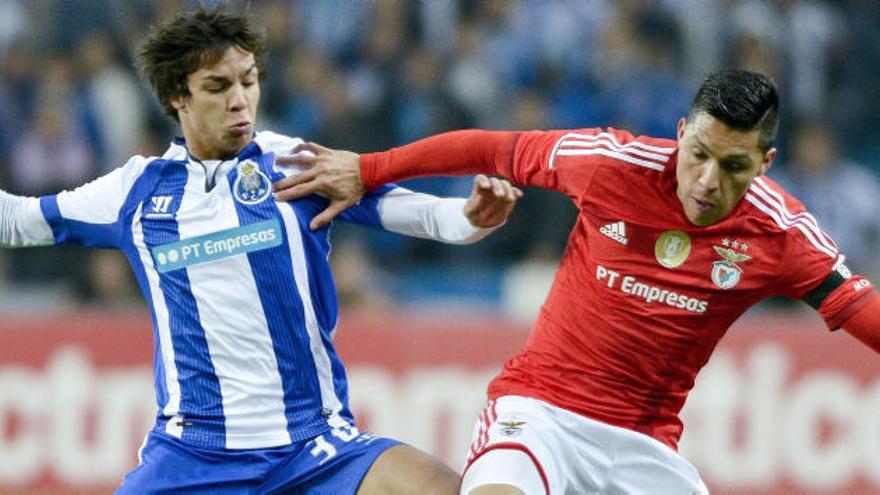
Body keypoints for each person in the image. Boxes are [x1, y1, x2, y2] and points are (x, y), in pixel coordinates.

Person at [273, 68, 880, 494]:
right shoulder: (612, 164)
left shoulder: (782, 234)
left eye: (734, 166)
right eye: (698, 152)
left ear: (765, 163)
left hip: (644, 447)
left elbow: (860, 310)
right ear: (681, 131)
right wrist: (370, 167)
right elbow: (493, 149)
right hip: (540, 413)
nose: (705, 180)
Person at [0, 8, 522, 494]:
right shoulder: (133, 193)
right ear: (178, 97)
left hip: (314, 446)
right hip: (190, 456)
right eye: (217, 86)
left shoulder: (292, 163)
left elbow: (422, 215)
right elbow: (18, 221)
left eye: (248, 81)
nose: (239, 100)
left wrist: (470, 218)